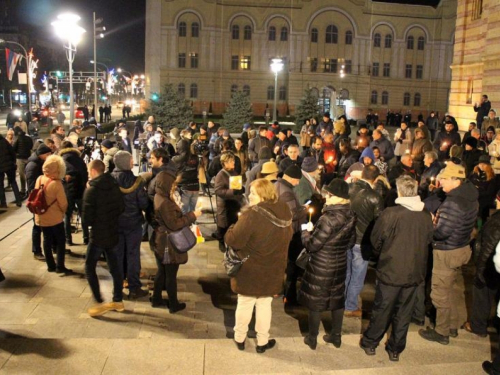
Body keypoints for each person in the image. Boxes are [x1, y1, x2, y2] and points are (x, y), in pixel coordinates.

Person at [360, 176, 434, 361]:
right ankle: (395, 348)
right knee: (403, 312)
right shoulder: (425, 215)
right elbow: (428, 240)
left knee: (383, 308)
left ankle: (371, 342)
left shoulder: (391, 214)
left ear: (399, 191)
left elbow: (376, 240)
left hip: (391, 270)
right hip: (414, 272)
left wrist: (382, 254)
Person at [225, 178, 293, 353]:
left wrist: (232, 227)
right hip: (273, 269)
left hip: (250, 269)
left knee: (245, 302)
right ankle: (262, 342)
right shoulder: (285, 210)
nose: (250, 196)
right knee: (264, 304)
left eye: (253, 193)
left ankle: (240, 338)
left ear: (263, 195)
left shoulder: (252, 215)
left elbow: (234, 240)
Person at [419, 162, 478, 345]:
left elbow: (441, 232)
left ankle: (441, 332)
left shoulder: (453, 202)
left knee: (440, 293)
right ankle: (453, 324)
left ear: (456, 180)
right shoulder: (470, 197)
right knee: (453, 289)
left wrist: (432, 222)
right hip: (460, 248)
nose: (440, 182)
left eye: (444, 179)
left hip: (447, 251)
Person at [299, 179, 357, 350]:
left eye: (329, 194)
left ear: (335, 197)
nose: (326, 197)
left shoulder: (328, 218)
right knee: (337, 300)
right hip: (339, 265)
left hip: (321, 265)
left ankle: (312, 338)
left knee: (316, 301)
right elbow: (350, 243)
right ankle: (336, 337)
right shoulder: (351, 215)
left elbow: (312, 245)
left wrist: (306, 232)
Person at [153, 162, 202, 313]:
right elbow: (174, 224)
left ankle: (156, 299)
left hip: (161, 239)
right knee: (170, 275)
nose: (174, 186)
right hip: (169, 243)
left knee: (162, 271)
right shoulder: (165, 203)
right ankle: (173, 304)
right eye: (172, 184)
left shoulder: (159, 197)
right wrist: (193, 215)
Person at [83, 160, 126, 317]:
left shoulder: (92, 190)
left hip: (98, 235)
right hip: (113, 231)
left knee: (89, 266)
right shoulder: (114, 185)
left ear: (93, 171)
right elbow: (121, 207)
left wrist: (88, 231)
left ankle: (99, 301)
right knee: (115, 267)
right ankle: (118, 300)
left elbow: (86, 217)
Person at [345, 165, 384, 317]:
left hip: (347, 237)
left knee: (347, 273)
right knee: (357, 276)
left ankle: (343, 302)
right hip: (362, 242)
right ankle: (350, 306)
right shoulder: (375, 197)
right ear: (375, 179)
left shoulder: (349, 189)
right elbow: (379, 221)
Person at [111, 151, 150, 299]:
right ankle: (134, 287)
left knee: (117, 256)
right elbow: (143, 203)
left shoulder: (108, 180)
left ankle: (117, 289)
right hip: (133, 223)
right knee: (133, 255)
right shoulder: (137, 181)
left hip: (114, 224)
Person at [461, 195, 500, 339]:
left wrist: (480, 272)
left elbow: (488, 248)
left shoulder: (497, 221)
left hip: (490, 267)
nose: (495, 201)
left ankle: (477, 326)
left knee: (482, 296)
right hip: (493, 266)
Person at [35, 155, 73, 274]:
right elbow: (63, 203)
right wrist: (62, 212)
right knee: (60, 242)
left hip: (41, 216)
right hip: (55, 218)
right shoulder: (56, 184)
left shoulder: (40, 179)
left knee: (47, 240)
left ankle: (50, 265)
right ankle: (60, 266)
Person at [275, 165, 308, 304]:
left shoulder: (277, 185)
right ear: (291, 178)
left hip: (281, 231)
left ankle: (278, 290)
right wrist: (304, 209)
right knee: (291, 264)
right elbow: (291, 214)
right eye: (297, 180)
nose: (298, 182)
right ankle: (289, 295)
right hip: (291, 232)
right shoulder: (287, 191)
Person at [59, 141, 89, 246]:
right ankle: (86, 238)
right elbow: (85, 173)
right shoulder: (79, 159)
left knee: (67, 215)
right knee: (83, 214)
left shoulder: (61, 160)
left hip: (68, 190)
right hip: (81, 189)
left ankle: (68, 239)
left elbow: (60, 175)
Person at [214, 153, 245, 252]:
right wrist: (233, 191)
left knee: (233, 223)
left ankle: (231, 241)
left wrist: (241, 189)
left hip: (234, 203)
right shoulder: (221, 175)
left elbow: (236, 184)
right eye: (231, 161)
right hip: (225, 204)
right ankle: (221, 241)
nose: (233, 163)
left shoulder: (234, 172)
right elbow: (218, 191)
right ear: (225, 163)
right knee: (224, 224)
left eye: (234, 161)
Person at [26, 144, 52, 260]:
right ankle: (36, 250)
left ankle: (52, 247)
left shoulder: (40, 163)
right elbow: (32, 186)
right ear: (41, 154)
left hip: (43, 198)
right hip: (37, 200)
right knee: (37, 226)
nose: (49, 156)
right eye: (47, 154)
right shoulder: (33, 165)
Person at [0, 133, 22, 208]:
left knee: (1, 185)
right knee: (13, 182)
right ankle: (18, 200)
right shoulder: (4, 141)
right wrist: (13, 162)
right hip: (10, 165)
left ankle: (3, 203)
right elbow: (12, 152)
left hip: (1, 167)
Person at [12, 127, 33, 198]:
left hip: (20, 158)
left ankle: (23, 190)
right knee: (29, 174)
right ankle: (30, 189)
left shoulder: (17, 138)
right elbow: (31, 146)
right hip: (28, 157)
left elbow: (13, 148)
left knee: (22, 175)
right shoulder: (28, 138)